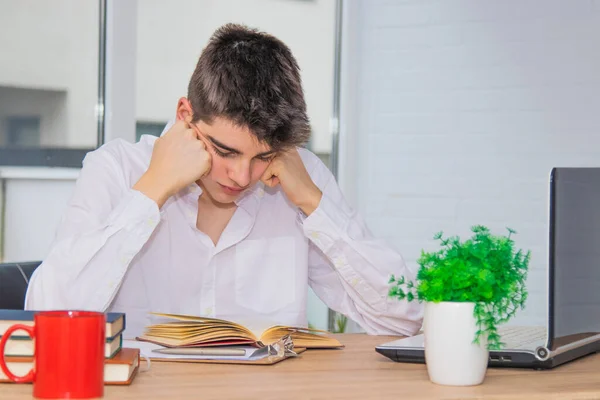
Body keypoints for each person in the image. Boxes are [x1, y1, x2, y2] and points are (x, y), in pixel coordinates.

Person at [25, 23, 422, 338]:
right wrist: (151, 191)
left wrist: (316, 205)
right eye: (226, 151)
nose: (242, 176)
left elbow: (402, 321)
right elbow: (44, 317)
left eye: (262, 156)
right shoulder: (117, 169)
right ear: (185, 115)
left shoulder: (298, 177)